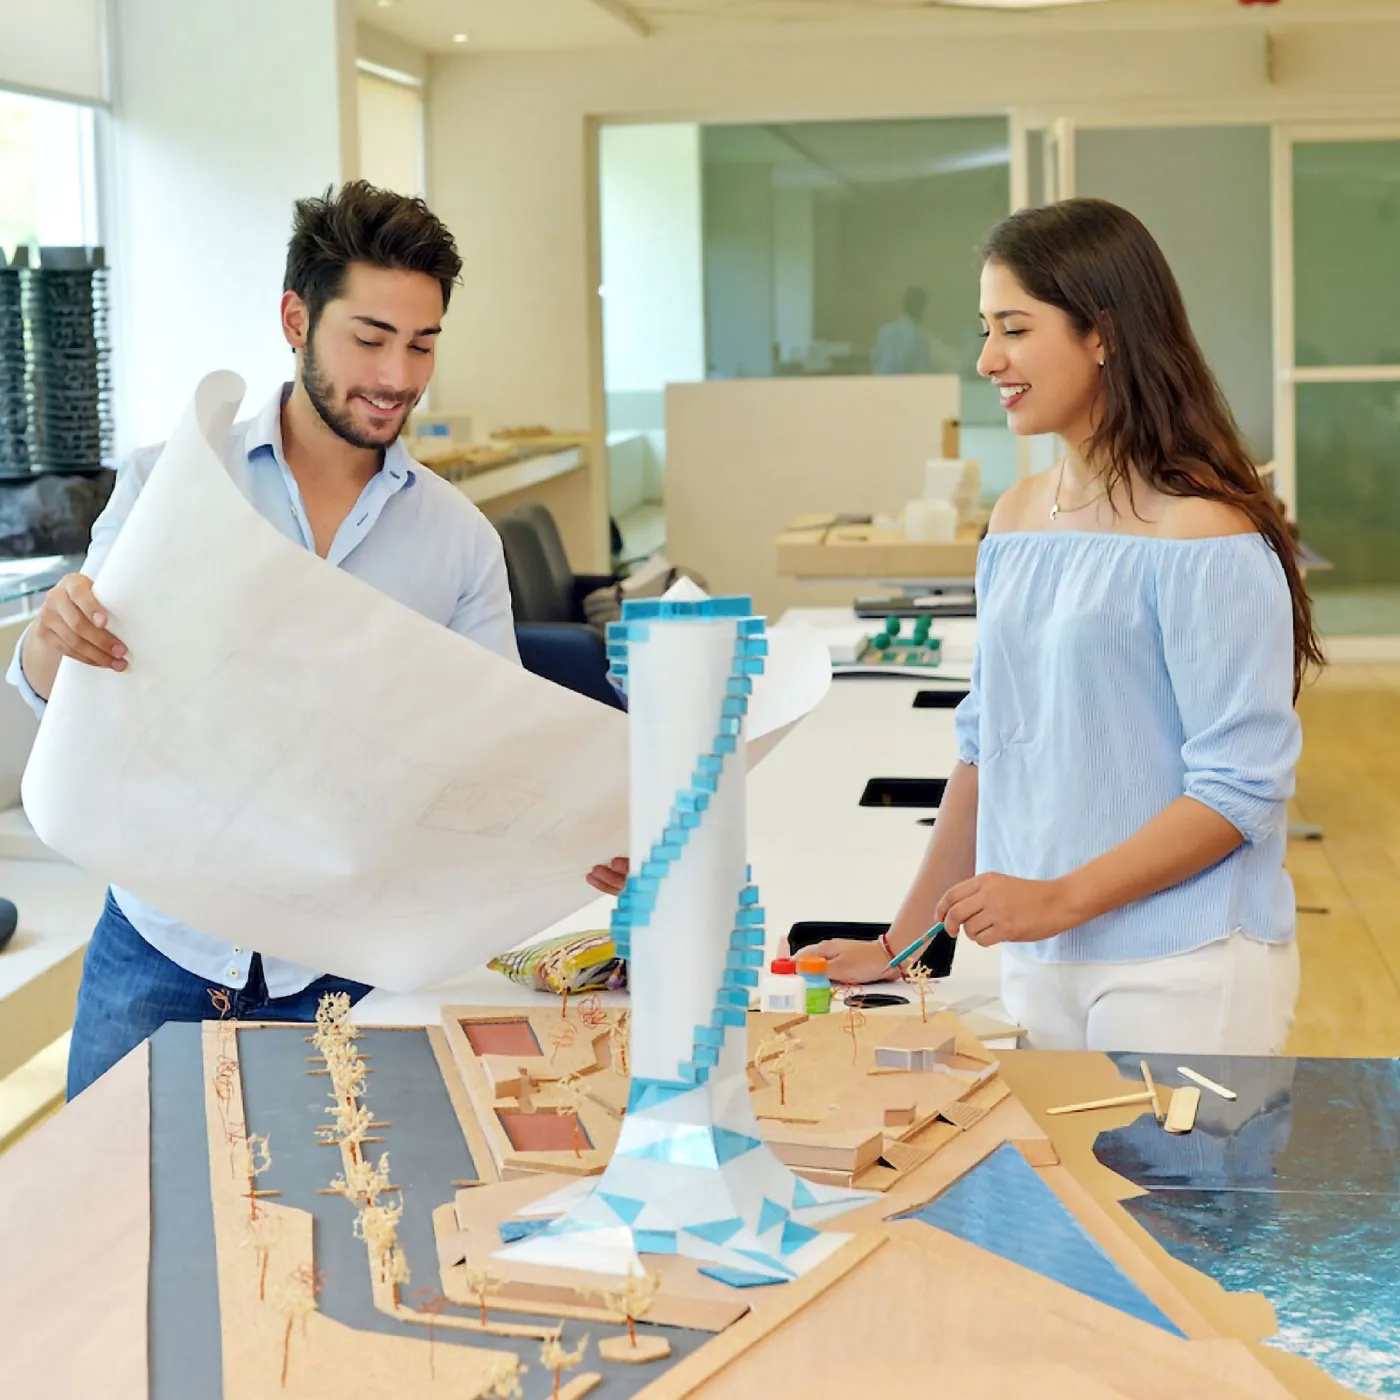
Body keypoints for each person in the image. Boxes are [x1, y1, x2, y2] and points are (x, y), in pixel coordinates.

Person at [8, 182, 525, 1097]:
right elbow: (53, 695)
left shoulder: (459, 543)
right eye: (369, 338)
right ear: (296, 318)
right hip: (159, 947)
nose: (398, 376)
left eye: (422, 344)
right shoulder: (175, 483)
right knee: (112, 1221)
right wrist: (56, 634)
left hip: (344, 960)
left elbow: (496, 762)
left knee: (345, 1225)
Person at [793, 198, 1322, 1054]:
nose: (988, 358)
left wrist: (1060, 897)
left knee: (1155, 1196)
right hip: (1040, 959)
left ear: (1102, 333)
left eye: (1014, 328)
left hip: (1181, 961)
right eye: (985, 328)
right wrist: (907, 941)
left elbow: (1239, 789)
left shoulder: (1204, 534)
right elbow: (986, 744)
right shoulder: (1016, 518)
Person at [871, 286, 961, 376]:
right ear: (922, 309)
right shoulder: (920, 338)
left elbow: (874, 359)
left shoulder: (884, 331)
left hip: (881, 385)